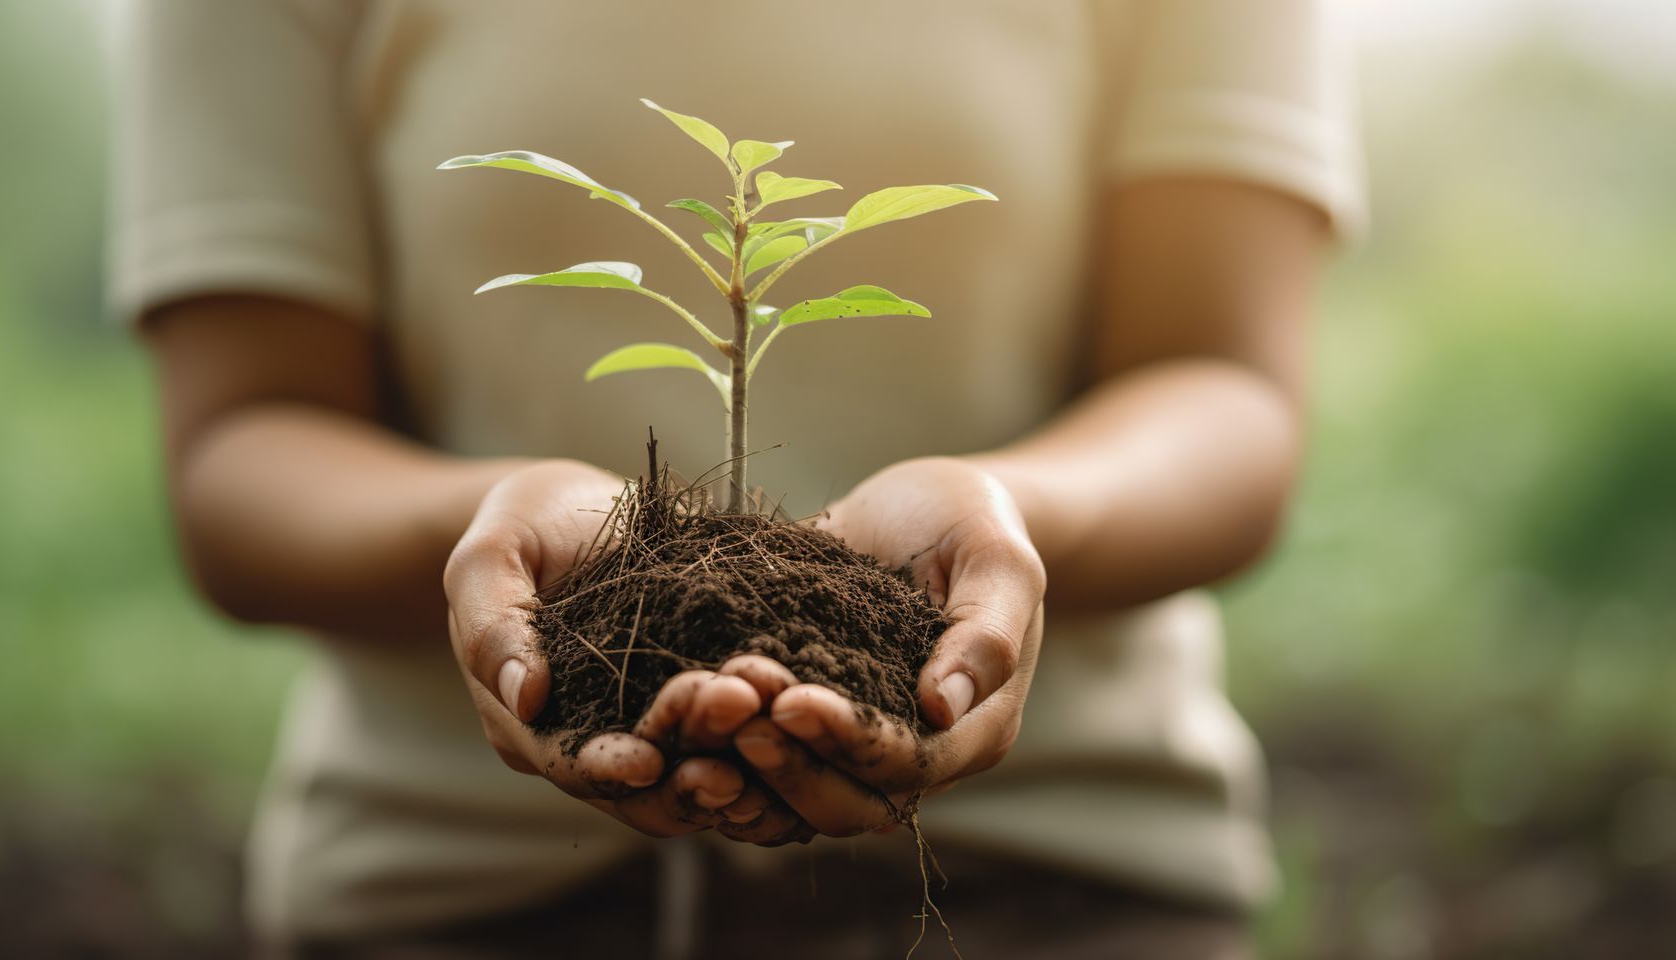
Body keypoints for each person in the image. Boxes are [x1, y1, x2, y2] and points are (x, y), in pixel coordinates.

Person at [112, 0, 1363, 956]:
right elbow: (245, 445)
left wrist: (1008, 520)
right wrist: (494, 529)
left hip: (1053, 884)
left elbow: (1223, 385)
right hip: (457, 896)